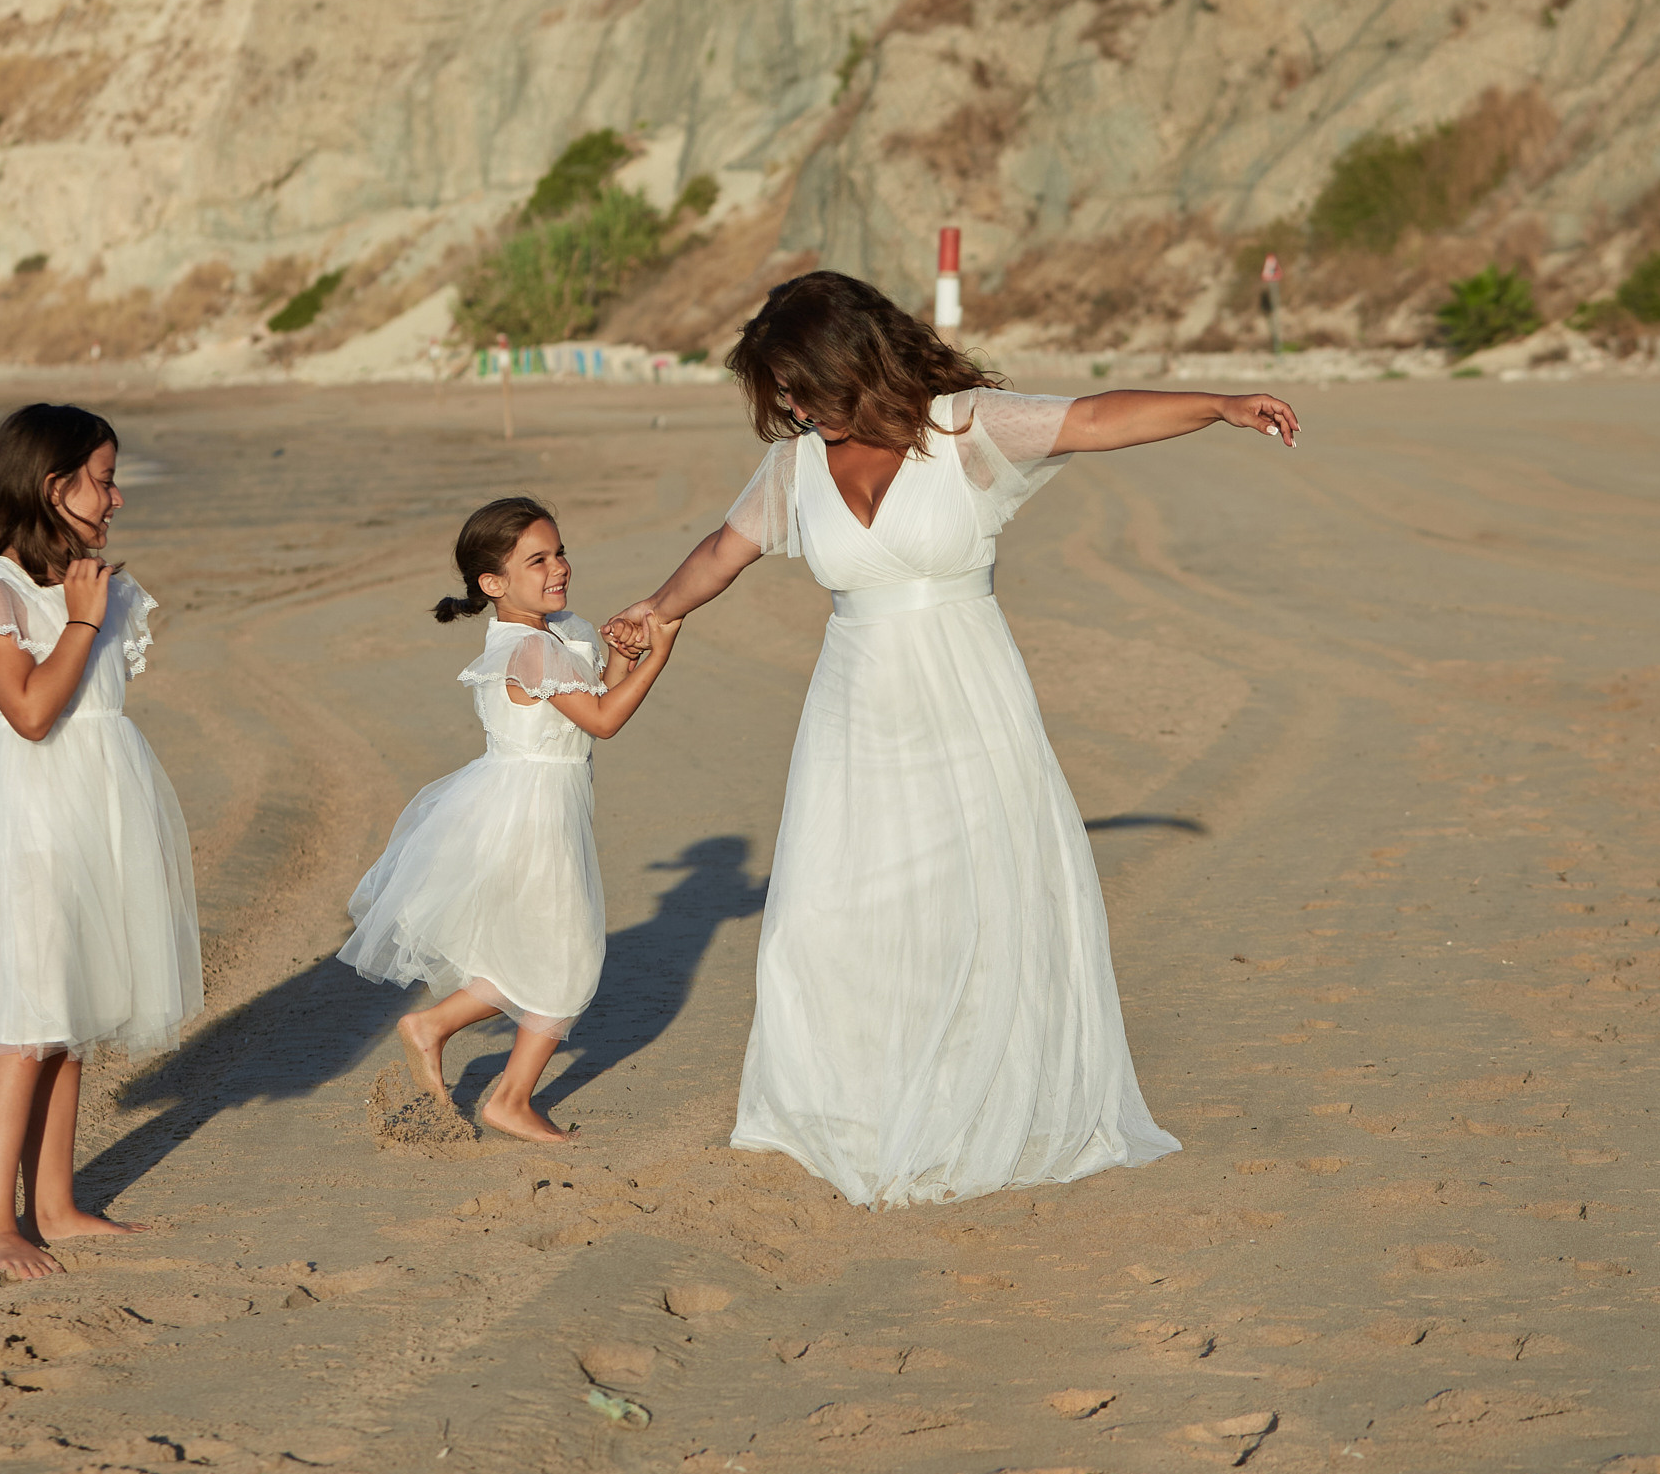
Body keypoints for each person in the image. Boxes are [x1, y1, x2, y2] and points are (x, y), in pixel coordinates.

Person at [604, 271, 1300, 1207]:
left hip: (967, 692)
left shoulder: (962, 428)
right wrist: (655, 605)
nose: (793, 408)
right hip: (854, 706)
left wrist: (1217, 406)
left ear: (847, 364)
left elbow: (1094, 418)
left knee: (975, 896)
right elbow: (722, 553)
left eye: (800, 387)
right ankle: (842, 1104)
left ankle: (973, 1098)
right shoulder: (795, 466)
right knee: (823, 909)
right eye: (783, 396)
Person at [0, 403, 201, 1277]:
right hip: (27, 820)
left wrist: (88, 608)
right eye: (103, 479)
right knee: (22, 1020)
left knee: (68, 1019)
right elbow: (29, 712)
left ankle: (57, 1204)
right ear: (52, 485)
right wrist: (76, 621)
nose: (116, 497)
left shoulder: (98, 585)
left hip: (96, 811)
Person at [340, 498, 680, 1142]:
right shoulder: (527, 648)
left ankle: (433, 1027)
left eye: (559, 552)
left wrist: (622, 657)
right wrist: (658, 657)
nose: (559, 568)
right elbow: (603, 722)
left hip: (541, 801)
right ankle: (508, 1100)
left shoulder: (555, 632)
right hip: (529, 812)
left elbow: (597, 696)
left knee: (538, 946)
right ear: (493, 585)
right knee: (568, 957)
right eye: (537, 560)